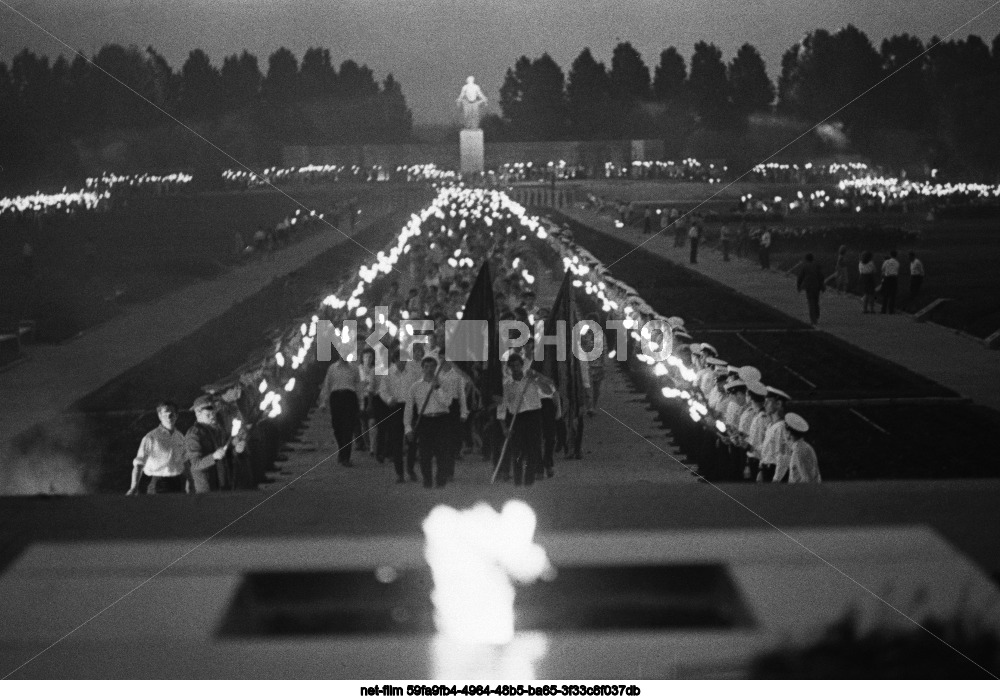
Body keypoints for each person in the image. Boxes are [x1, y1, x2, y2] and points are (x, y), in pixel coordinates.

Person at [501, 354, 553, 486]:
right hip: (517, 418)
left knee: (533, 449)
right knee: (517, 450)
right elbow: (502, 407)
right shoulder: (507, 384)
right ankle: (518, 481)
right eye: (512, 366)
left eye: (518, 365)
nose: (515, 368)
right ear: (509, 368)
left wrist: (537, 377)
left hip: (533, 416)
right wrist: (504, 427)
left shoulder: (531, 379)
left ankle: (529, 480)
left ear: (522, 365)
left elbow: (549, 390)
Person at [405, 355, 454, 488]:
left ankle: (440, 480)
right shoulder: (415, 386)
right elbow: (409, 408)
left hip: (441, 419)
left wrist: (437, 387)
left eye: (432, 366)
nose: (429, 369)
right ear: (422, 368)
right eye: (426, 366)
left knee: (442, 452)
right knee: (424, 454)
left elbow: (447, 402)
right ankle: (427, 480)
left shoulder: (444, 382)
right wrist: (408, 428)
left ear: (436, 367)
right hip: (425, 420)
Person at [127, 400, 189, 495]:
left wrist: (190, 483)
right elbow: (139, 464)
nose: (169, 416)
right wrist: (133, 488)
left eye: (172, 413)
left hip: (178, 483)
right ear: (159, 416)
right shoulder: (151, 437)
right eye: (165, 413)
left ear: (177, 415)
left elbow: (185, 463)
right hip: (157, 484)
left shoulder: (180, 437)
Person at [320, 347, 361, 467]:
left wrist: (361, 403)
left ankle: (345, 457)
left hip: (350, 397)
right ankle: (341, 449)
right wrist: (323, 402)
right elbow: (327, 386)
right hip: (336, 398)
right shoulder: (332, 368)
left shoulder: (354, 369)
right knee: (337, 427)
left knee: (348, 427)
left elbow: (358, 386)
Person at [378, 350, 415, 483]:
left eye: (405, 360)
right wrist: (388, 400)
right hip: (395, 408)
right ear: (395, 360)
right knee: (396, 441)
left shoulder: (412, 373)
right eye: (400, 360)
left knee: (412, 440)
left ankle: (410, 469)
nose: (403, 363)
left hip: (410, 407)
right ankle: (400, 473)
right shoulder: (388, 374)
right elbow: (382, 390)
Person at [185, 395, 230, 493]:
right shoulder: (194, 434)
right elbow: (196, 464)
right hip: (205, 489)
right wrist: (214, 456)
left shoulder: (218, 430)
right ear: (198, 413)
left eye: (214, 413)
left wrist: (236, 447)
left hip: (222, 485)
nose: (213, 417)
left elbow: (228, 453)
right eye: (208, 415)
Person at [776, 413, 821, 483]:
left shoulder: (799, 451)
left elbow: (808, 479)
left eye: (784, 432)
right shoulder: (802, 447)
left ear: (788, 434)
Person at [796, 253, 826, 325]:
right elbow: (821, 276)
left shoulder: (804, 266)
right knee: (816, 301)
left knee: (811, 302)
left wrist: (798, 286)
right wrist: (822, 285)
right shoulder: (817, 266)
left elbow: (800, 277)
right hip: (817, 286)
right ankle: (817, 314)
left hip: (809, 287)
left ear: (806, 259)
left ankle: (813, 320)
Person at [880, 250, 900, 314]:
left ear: (890, 255)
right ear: (896, 255)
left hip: (887, 278)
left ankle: (883, 310)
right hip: (894, 278)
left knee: (885, 294)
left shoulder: (886, 261)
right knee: (892, 295)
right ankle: (891, 310)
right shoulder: (897, 262)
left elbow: (882, 269)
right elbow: (897, 270)